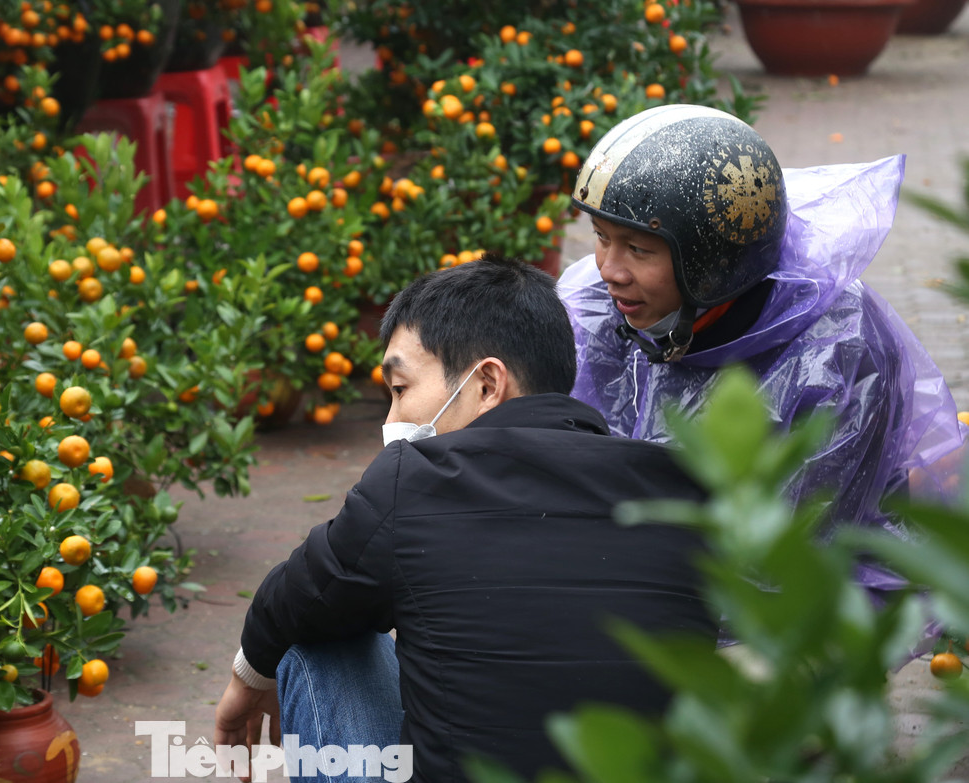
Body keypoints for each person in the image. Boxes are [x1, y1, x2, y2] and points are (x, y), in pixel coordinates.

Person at [215, 256, 716, 783]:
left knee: (319, 631)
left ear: (486, 384)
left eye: (400, 389)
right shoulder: (680, 489)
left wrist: (248, 679)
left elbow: (298, 595)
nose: (390, 420)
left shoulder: (412, 480)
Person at [560, 103, 965, 594]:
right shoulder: (591, 303)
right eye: (601, 238)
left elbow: (804, 550)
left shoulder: (838, 349)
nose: (609, 269)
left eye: (638, 249)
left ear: (715, 261)